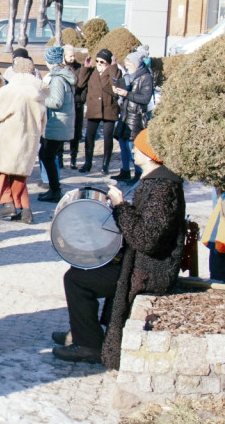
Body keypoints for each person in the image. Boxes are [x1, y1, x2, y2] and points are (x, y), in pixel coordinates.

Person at [53, 129, 185, 368]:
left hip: (147, 271)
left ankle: (89, 345)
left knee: (76, 280)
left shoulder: (163, 187)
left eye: (138, 147)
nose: (133, 150)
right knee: (81, 268)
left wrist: (121, 206)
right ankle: (83, 332)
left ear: (150, 154)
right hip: (137, 262)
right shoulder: (156, 182)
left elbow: (147, 239)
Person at [0, 56, 47, 224]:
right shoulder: (39, 92)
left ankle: (8, 203)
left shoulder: (11, 89)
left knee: (1, 171)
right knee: (19, 175)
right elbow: (43, 121)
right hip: (30, 138)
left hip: (10, 136)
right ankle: (26, 211)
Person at [38, 45, 75, 202]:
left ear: (51, 61)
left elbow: (57, 102)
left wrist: (41, 98)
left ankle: (55, 190)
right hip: (60, 123)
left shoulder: (58, 78)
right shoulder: (63, 75)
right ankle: (54, 189)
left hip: (56, 123)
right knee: (48, 155)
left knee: (46, 155)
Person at [112, 50, 154, 185]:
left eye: (129, 63)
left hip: (136, 116)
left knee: (132, 146)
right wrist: (118, 92)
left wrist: (127, 94)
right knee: (122, 143)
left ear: (136, 64)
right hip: (125, 115)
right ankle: (125, 171)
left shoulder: (146, 77)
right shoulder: (129, 76)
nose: (127, 66)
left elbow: (145, 98)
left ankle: (138, 173)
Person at [77, 48, 120, 174]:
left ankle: (105, 164)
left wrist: (113, 67)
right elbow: (80, 84)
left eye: (102, 62)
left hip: (109, 107)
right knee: (89, 136)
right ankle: (87, 163)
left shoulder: (113, 71)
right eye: (97, 61)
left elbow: (115, 84)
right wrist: (86, 68)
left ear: (108, 62)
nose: (99, 64)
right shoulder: (92, 72)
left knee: (108, 136)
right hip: (94, 107)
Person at [63, 44, 84, 169]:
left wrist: (80, 99)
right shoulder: (61, 68)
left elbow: (82, 86)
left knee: (75, 133)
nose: (72, 58)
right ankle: (60, 158)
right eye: (70, 56)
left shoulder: (79, 68)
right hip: (65, 104)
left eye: (73, 55)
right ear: (64, 56)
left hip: (77, 104)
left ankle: (73, 158)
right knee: (62, 131)